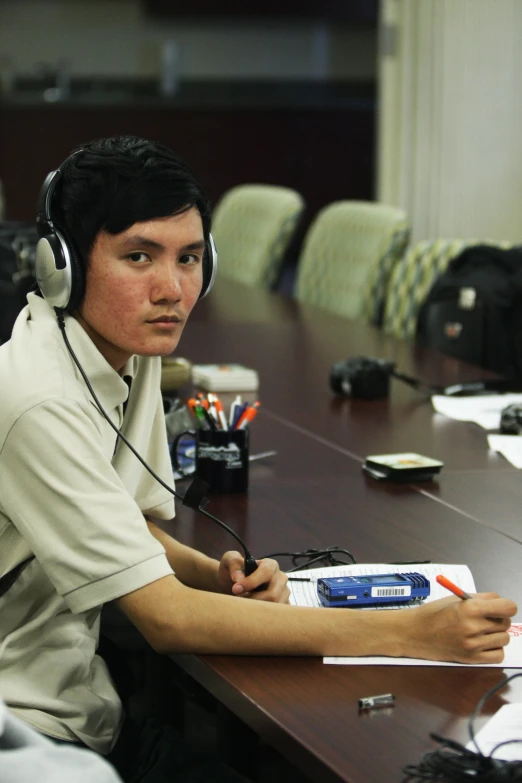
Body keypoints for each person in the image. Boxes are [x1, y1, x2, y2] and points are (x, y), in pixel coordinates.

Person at [0, 136, 517, 779]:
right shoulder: (38, 399)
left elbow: (122, 523)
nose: (171, 289)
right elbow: (166, 620)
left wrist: (209, 574)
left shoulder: (123, 350)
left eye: (189, 259)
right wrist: (413, 632)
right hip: (31, 736)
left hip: (85, 709)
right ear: (64, 266)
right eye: (138, 257)